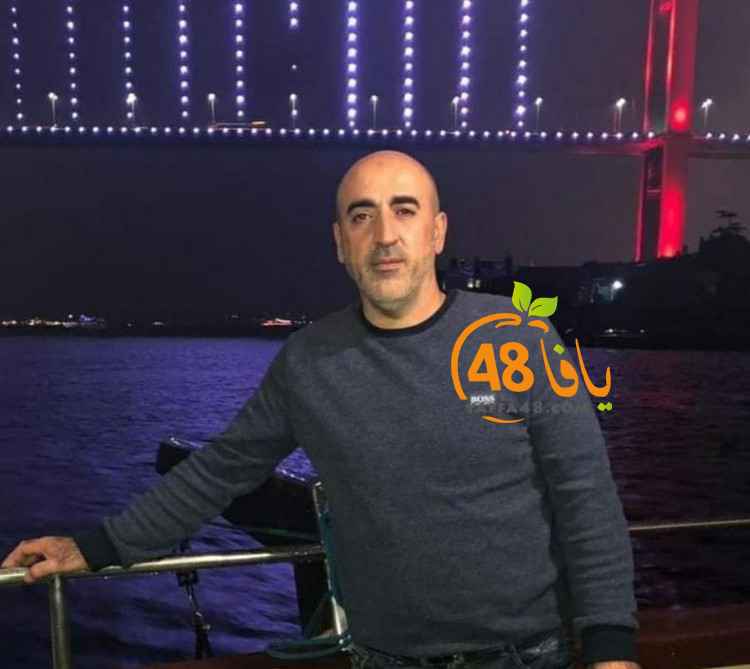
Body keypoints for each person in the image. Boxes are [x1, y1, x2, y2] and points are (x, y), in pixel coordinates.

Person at [2, 151, 641, 669]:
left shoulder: (519, 338)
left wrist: (611, 646)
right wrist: (94, 546)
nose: (384, 235)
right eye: (362, 216)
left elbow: (585, 497)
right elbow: (218, 471)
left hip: (525, 656)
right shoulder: (308, 362)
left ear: (437, 231)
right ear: (341, 242)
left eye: (404, 210)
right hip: (382, 657)